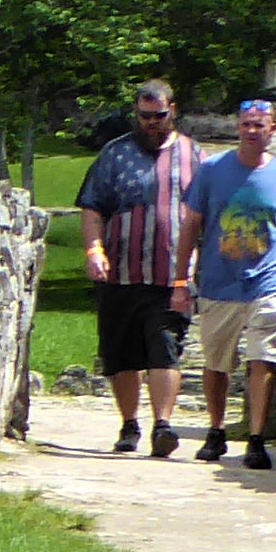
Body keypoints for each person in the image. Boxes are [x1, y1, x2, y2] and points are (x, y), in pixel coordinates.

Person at [174, 96, 276, 470]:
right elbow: (191, 226)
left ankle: (257, 438)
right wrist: (181, 278)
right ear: (238, 128)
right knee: (217, 362)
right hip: (220, 281)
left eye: (258, 125)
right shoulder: (212, 170)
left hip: (268, 280)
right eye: (245, 124)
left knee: (264, 358)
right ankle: (216, 431)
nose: (251, 131)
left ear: (272, 130)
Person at [72, 80, 196, 456]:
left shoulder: (194, 155)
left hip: (170, 274)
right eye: (144, 116)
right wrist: (94, 249)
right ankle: (129, 425)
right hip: (120, 274)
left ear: (173, 110)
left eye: (158, 116)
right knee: (121, 354)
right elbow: (93, 207)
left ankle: (163, 424)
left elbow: (205, 211)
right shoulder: (115, 153)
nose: (151, 124)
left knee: (165, 347)